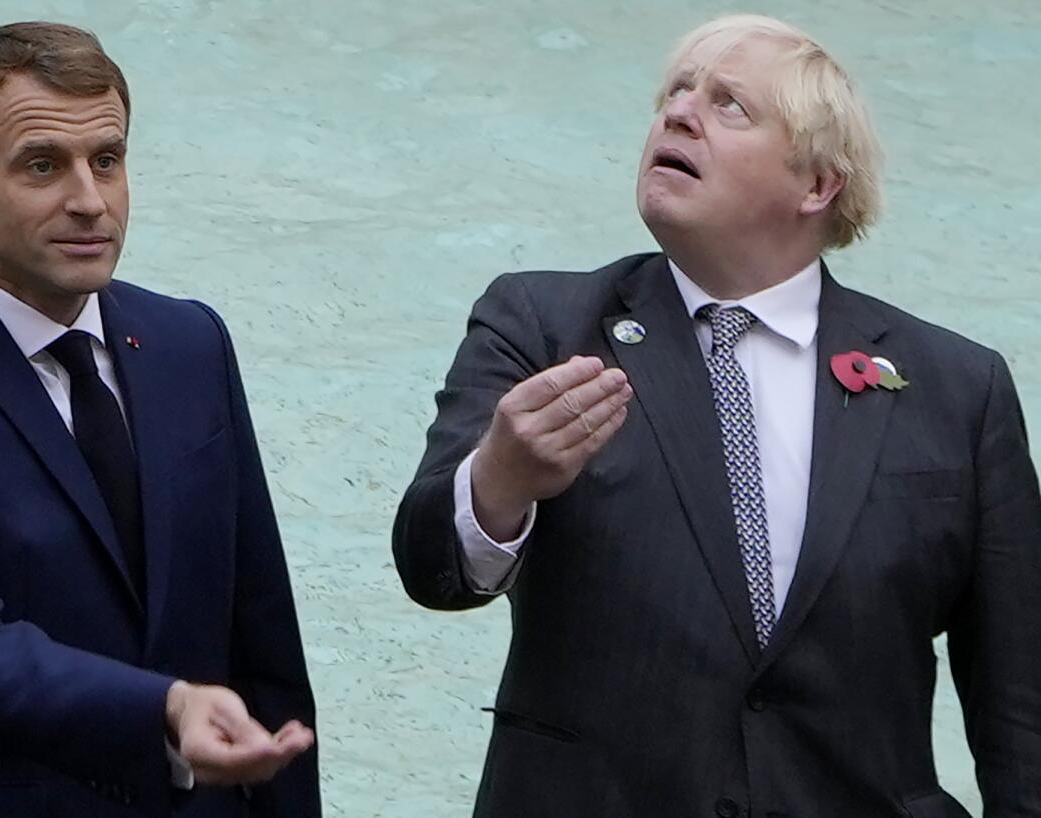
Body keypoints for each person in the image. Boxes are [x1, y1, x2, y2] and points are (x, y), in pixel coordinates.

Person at [393, 14, 1041, 818]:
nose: (678, 113)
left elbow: (1022, 707)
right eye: (675, 93)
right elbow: (432, 570)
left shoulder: (957, 388)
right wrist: (499, 481)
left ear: (817, 184)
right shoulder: (540, 324)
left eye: (730, 104)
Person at [0, 22, 319, 818]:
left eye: (107, 159)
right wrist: (163, 707)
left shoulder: (190, 342)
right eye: (42, 165)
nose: (90, 201)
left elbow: (260, 630)